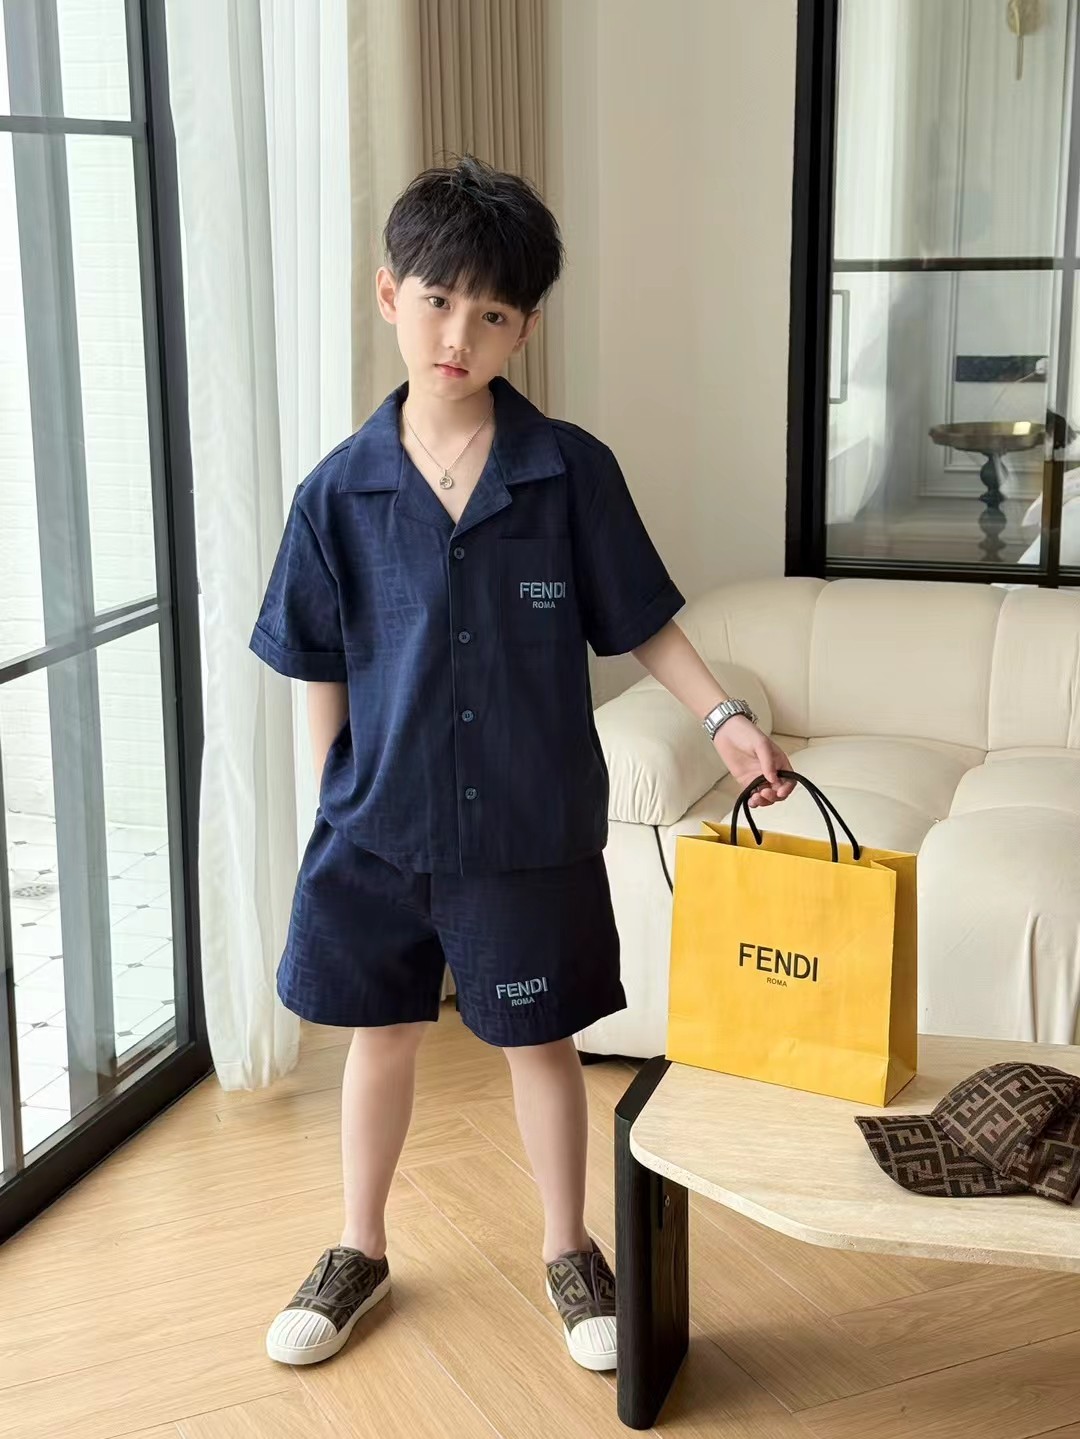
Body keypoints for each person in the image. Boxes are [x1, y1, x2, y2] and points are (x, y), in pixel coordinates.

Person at [250, 154, 794, 1372]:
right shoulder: (335, 494)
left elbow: (641, 616)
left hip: (527, 824)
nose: (459, 334)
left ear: (525, 329)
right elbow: (312, 656)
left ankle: (569, 1247)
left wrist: (723, 716)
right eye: (438, 299)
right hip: (376, 827)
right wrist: (331, 792)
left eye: (492, 313)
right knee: (378, 1035)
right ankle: (357, 1245)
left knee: (540, 1041)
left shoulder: (570, 471)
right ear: (388, 294)